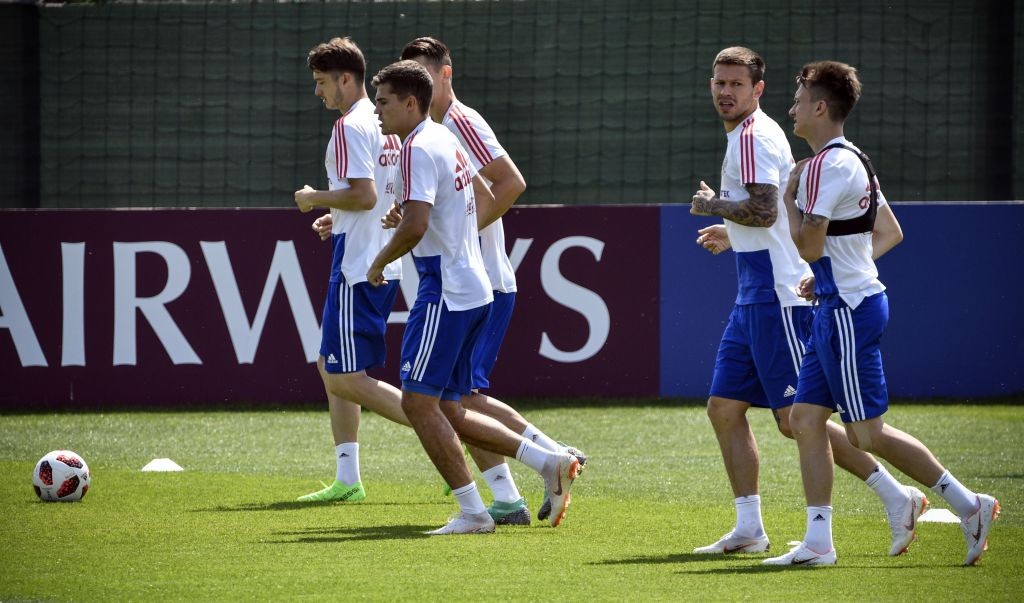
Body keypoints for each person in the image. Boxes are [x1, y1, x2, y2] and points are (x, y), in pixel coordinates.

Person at [689, 47, 926, 557]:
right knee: (724, 408)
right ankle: (749, 528)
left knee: (796, 418)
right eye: (719, 82)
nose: (725, 91)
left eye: (736, 84)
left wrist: (713, 206)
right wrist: (734, 232)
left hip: (778, 294)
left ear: (758, 90)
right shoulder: (754, 134)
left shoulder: (752, 136)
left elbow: (764, 208)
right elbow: (771, 211)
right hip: (753, 292)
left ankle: (896, 495)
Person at [766, 60, 1000, 566]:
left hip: (850, 311)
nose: (792, 109)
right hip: (837, 304)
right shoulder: (852, 160)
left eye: (799, 100)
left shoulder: (827, 167)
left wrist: (788, 198)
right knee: (804, 419)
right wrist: (834, 272)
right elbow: (889, 231)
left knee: (866, 434)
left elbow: (808, 246)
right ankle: (818, 542)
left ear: (820, 108)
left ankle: (970, 505)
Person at [367, 59, 580, 534]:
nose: (377, 110)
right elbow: (471, 197)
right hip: (474, 285)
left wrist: (380, 261)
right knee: (451, 405)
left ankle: (474, 512)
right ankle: (549, 463)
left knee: (418, 403)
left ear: (410, 102)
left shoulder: (417, 146)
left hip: (444, 289)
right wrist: (421, 220)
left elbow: (418, 225)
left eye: (383, 101)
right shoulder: (443, 137)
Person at [293, 37, 412, 503]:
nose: (318, 91)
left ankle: (450, 431)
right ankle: (347, 478)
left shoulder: (349, 126)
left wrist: (313, 199)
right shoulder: (385, 123)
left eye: (322, 82)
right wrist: (336, 215)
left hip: (358, 264)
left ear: (346, 79)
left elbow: (364, 195)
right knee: (332, 366)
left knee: (345, 376)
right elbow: (380, 195)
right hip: (382, 258)